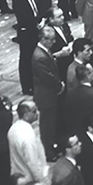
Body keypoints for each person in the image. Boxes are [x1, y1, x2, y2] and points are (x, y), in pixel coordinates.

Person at [33, 25, 63, 158]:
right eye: (51, 40)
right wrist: (59, 85)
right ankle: (48, 152)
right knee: (47, 126)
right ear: (43, 39)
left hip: (48, 94)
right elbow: (48, 77)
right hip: (46, 96)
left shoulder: (44, 51)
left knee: (51, 123)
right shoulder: (40, 56)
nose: (53, 42)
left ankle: (52, 147)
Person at [9, 99, 49, 185]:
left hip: (18, 173)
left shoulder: (13, 128)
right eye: (34, 111)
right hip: (29, 179)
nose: (37, 113)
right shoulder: (28, 137)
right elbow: (33, 163)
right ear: (26, 115)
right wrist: (42, 183)